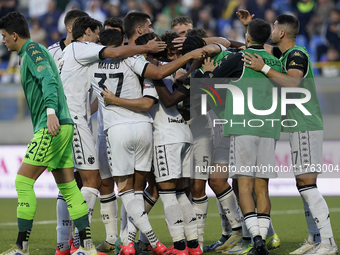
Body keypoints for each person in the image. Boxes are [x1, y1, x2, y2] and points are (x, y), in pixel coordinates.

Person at [58, 15, 166, 253]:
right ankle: (90, 243)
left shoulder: (84, 59)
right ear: (88, 32)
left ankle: (91, 242)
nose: (98, 40)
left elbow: (95, 94)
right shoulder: (116, 56)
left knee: (101, 183)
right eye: (96, 34)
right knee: (110, 184)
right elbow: (150, 80)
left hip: (105, 128)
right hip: (120, 126)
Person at [0, 11, 99, 255]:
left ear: (14, 35)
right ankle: (87, 247)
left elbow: (49, 81)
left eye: (3, 36)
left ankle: (21, 247)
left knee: (23, 181)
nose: (2, 41)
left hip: (52, 126)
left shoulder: (33, 51)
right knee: (68, 188)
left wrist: (51, 112)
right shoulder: (30, 53)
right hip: (63, 125)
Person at [241, 11, 339, 255]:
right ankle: (314, 238)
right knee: (302, 183)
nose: (271, 31)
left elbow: (294, 83)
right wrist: (248, 27)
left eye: (273, 27)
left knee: (307, 183)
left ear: (282, 32)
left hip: (306, 124)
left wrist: (263, 68)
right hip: (298, 127)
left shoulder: (296, 54)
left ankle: (328, 243)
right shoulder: (284, 55)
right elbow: (257, 47)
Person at [200, 18, 283, 255]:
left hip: (243, 127)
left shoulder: (241, 58)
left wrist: (207, 73)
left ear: (247, 38)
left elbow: (208, 87)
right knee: (262, 189)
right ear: (268, 37)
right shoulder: (275, 61)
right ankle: (264, 238)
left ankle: (256, 239)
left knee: (243, 186)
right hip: (269, 129)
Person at [47, 10, 90, 255]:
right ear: (72, 27)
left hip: (83, 122)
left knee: (82, 181)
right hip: (61, 125)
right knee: (68, 181)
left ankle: (72, 241)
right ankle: (65, 241)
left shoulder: (87, 50)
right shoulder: (52, 52)